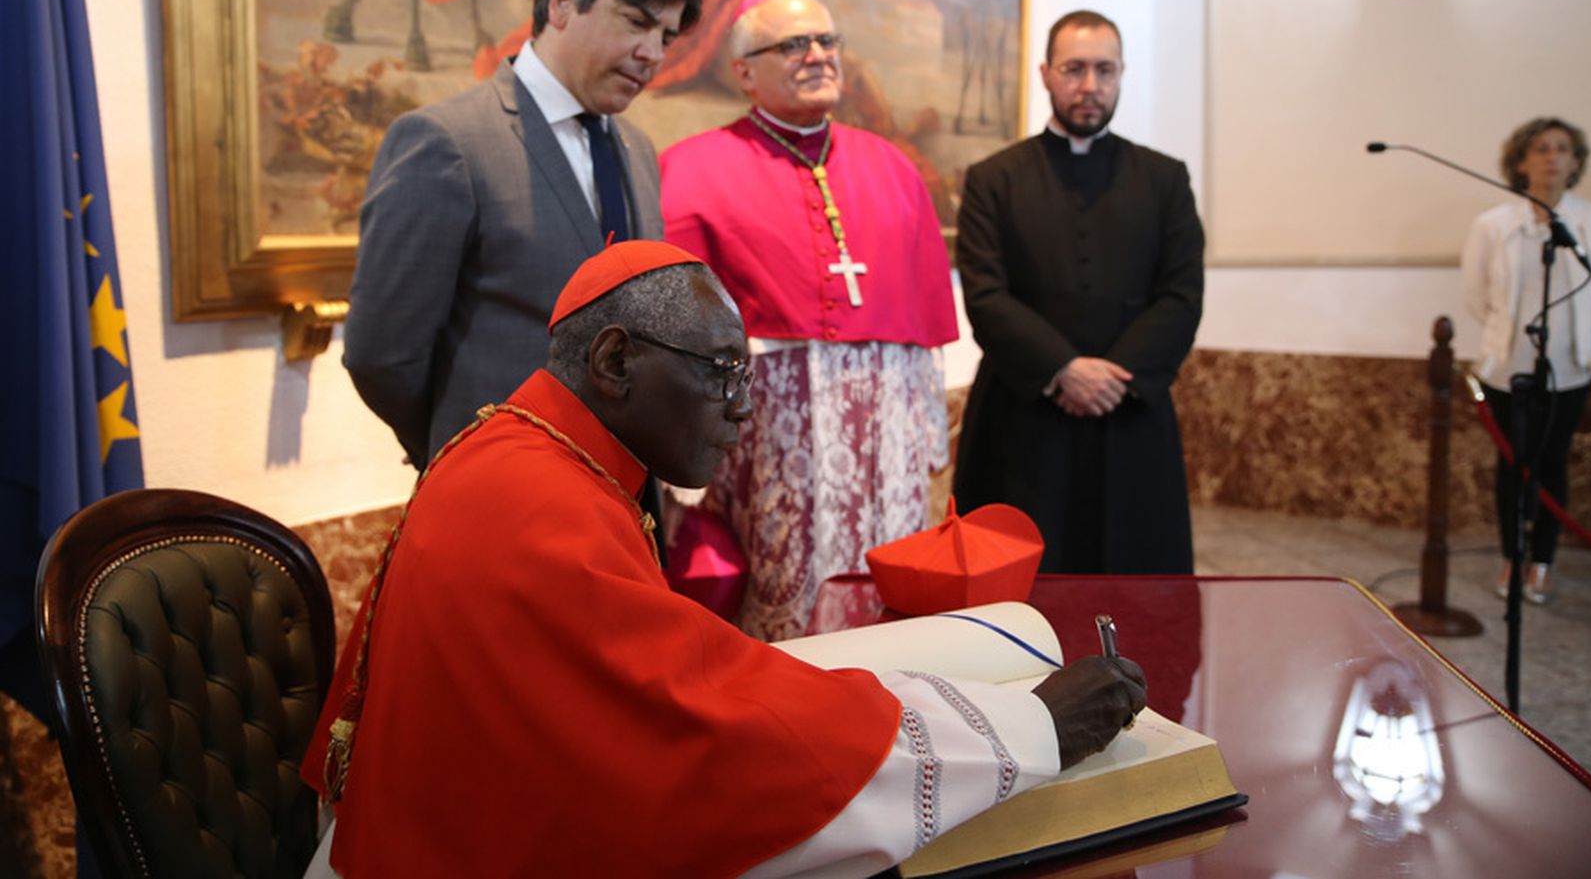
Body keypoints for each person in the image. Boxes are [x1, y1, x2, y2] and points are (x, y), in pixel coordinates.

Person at [300, 241, 1147, 878]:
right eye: (723, 373)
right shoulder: (544, 514)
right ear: (616, 360)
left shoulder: (519, 450)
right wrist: (1031, 727)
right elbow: (713, 757)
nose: (744, 411)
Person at [342, 0, 707, 467]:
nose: (653, 53)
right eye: (637, 22)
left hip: (624, 482)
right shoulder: (448, 141)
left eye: (666, 37)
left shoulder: (636, 149)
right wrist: (459, 447)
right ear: (563, 2)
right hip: (499, 479)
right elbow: (380, 355)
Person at [660, 0, 959, 640]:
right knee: (784, 600)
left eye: (827, 40)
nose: (818, 55)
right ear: (744, 72)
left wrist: (923, 427)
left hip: (885, 435)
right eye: (794, 44)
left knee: (889, 602)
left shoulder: (893, 167)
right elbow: (676, 329)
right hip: (772, 437)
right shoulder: (689, 168)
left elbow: (924, 328)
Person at [953, 10, 1205, 575]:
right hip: (1024, 415)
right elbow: (986, 295)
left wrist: (1112, 378)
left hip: (1130, 412)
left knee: (1137, 580)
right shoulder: (994, 179)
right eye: (1074, 69)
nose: (1090, 86)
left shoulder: (1164, 180)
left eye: (1104, 70)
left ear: (1121, 75)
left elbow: (1182, 293)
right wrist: (1063, 368)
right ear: (1045, 73)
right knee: (1019, 582)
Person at [1462, 117, 1591, 605]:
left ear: (1576, 161)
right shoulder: (1494, 225)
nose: (1552, 157)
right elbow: (1477, 295)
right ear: (1521, 161)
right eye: (1541, 148)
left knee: (1552, 461)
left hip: (1571, 365)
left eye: (1563, 148)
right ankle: (1511, 555)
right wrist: (1503, 336)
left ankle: (1543, 561)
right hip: (1510, 364)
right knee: (1512, 463)